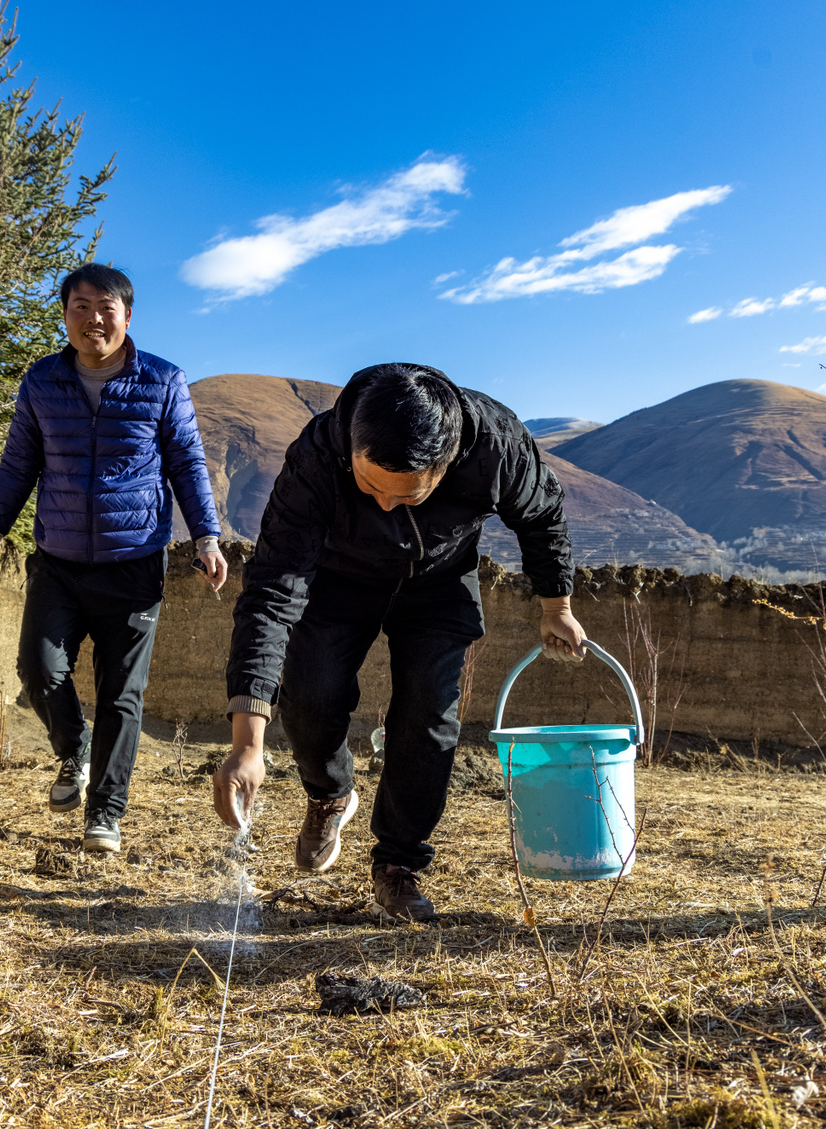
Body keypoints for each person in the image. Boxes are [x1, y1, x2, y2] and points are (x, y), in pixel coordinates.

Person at [211, 363, 584, 919]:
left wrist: (557, 606)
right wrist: (247, 744)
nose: (384, 506)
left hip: (439, 583)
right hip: (338, 580)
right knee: (310, 696)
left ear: (446, 465)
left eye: (407, 496)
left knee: (428, 716)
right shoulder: (317, 457)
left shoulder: (495, 445)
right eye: (369, 488)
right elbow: (270, 592)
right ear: (352, 449)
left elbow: (543, 513)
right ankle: (331, 794)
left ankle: (398, 864)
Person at [0, 263, 226, 853]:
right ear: (65, 315)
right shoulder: (42, 381)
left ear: (127, 316)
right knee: (38, 670)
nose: (94, 320)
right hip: (58, 559)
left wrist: (207, 538)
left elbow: (187, 463)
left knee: (121, 693)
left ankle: (106, 810)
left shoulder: (163, 381)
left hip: (135, 563)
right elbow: (18, 463)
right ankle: (73, 748)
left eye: (106, 308)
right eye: (81, 307)